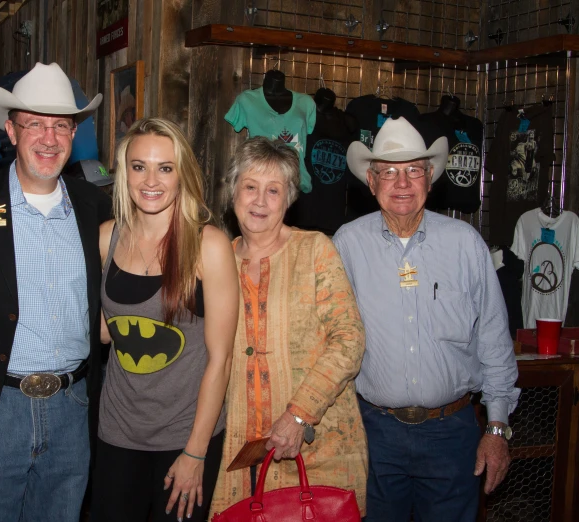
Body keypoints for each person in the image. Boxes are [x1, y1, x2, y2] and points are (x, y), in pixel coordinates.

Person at [333, 117, 521, 522]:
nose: (402, 183)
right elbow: (328, 340)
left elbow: (493, 338)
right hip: (373, 433)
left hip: (451, 435)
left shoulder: (465, 243)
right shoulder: (346, 245)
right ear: (371, 181)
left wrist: (497, 428)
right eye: (389, 172)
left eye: (413, 170)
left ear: (430, 177)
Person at [0, 62, 110, 522]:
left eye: (60, 125)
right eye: (34, 124)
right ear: (10, 130)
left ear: (74, 132)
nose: (48, 137)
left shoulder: (93, 206)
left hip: (72, 405)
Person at [210, 137, 368, 516]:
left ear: (289, 198)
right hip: (236, 457)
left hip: (316, 453)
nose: (260, 201)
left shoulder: (315, 249)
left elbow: (349, 338)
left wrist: (299, 414)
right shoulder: (217, 260)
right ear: (233, 191)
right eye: (250, 187)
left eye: (273, 190)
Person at [90, 118, 238, 522]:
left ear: (182, 175)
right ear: (124, 173)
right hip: (117, 432)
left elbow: (220, 360)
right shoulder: (107, 237)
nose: (150, 180)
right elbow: (106, 331)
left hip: (183, 437)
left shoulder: (208, 246)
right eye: (139, 166)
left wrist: (195, 452)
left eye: (165, 168)